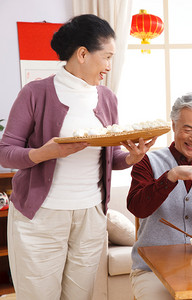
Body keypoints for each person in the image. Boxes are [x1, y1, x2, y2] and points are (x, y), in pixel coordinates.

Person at [0, 14, 156, 300]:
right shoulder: (35, 93)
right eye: (107, 56)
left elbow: (110, 156)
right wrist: (46, 153)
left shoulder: (107, 98)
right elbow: (6, 152)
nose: (109, 66)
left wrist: (132, 158)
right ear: (82, 53)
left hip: (90, 216)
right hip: (41, 217)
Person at [128, 92, 192, 300]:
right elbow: (137, 208)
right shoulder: (147, 161)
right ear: (174, 126)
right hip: (151, 271)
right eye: (187, 129)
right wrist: (171, 176)